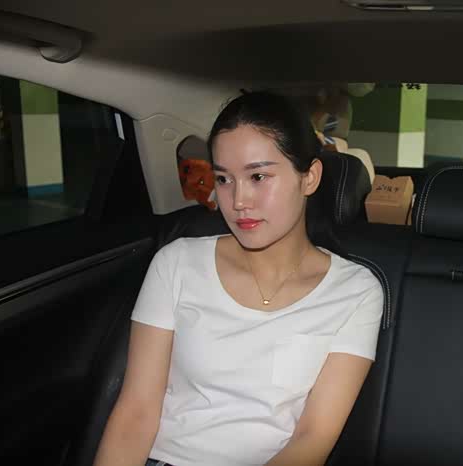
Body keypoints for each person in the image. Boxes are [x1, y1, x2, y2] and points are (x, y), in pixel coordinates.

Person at [93, 92, 384, 466]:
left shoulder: (355, 291)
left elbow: (312, 440)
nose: (238, 201)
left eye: (258, 176)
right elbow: (136, 412)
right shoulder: (176, 262)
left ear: (309, 177)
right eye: (224, 179)